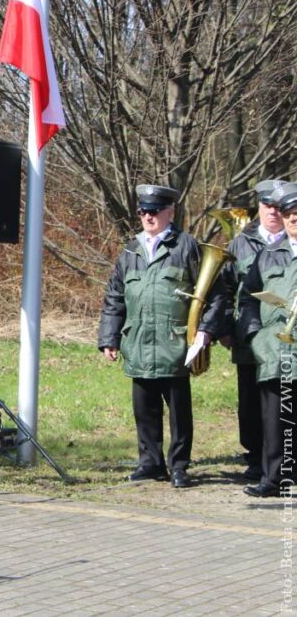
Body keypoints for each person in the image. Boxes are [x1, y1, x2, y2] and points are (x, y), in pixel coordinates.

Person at [98, 184, 226, 489]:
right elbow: (115, 296)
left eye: (154, 211)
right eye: (143, 211)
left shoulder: (187, 247)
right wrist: (109, 338)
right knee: (145, 410)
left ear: (170, 212)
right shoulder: (130, 250)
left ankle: (179, 465)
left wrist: (206, 330)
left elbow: (216, 294)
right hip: (139, 343)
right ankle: (150, 463)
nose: (148, 216)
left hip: (176, 344)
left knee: (179, 412)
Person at [219, 179, 288, 482]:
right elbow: (225, 288)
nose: (272, 212)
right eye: (266, 206)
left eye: (277, 207)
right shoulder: (239, 242)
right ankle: (255, 458)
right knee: (249, 403)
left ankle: (285, 461)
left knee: (283, 401)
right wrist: (226, 328)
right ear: (258, 207)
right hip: (250, 337)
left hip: (287, 340)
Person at [238, 181, 297, 497]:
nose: (292, 219)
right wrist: (254, 335)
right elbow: (248, 297)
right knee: (274, 420)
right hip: (274, 348)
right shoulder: (268, 255)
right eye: (288, 214)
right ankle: (274, 478)